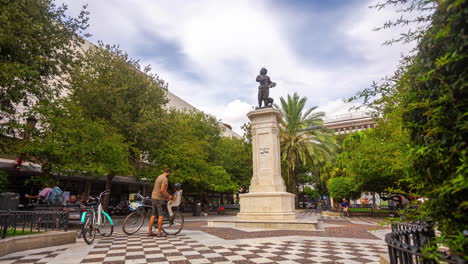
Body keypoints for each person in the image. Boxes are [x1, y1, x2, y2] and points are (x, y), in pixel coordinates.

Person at [148, 168, 173, 237]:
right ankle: (159, 232)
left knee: (153, 215)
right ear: (169, 173)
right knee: (161, 215)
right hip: (160, 199)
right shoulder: (165, 179)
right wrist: (169, 196)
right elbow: (162, 190)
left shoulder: (159, 176)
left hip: (153, 197)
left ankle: (150, 231)